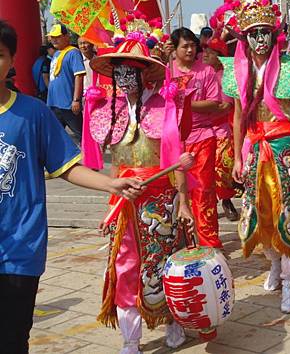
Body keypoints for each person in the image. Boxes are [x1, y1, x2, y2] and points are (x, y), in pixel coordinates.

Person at [0, 19, 144, 354]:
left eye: (0, 54)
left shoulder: (33, 113)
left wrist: (112, 183)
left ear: (11, 61)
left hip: (20, 247)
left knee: (12, 338)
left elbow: (66, 168)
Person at [87, 32, 195, 353]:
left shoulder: (165, 107)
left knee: (165, 262)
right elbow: (115, 167)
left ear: (144, 73)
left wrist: (184, 202)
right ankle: (130, 339)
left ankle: (173, 320)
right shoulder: (112, 112)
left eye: (129, 70)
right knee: (125, 266)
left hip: (162, 201)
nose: (122, 77)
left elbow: (177, 158)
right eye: (117, 71)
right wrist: (111, 205)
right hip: (127, 204)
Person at [220, 0, 290, 314]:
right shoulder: (237, 73)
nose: (260, 39)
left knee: (288, 215)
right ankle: (273, 261)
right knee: (257, 216)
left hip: (284, 150)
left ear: (274, 35)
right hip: (253, 150)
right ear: (244, 38)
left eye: (265, 32)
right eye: (253, 33)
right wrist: (235, 156)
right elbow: (236, 119)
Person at [170, 27, 223, 247]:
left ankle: (208, 241)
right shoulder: (167, 71)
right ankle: (183, 240)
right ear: (175, 49)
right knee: (178, 191)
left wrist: (186, 103)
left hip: (202, 137)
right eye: (185, 46)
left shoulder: (206, 71)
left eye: (193, 45)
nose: (190, 50)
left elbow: (214, 102)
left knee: (203, 191)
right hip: (175, 140)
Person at [202, 36, 240, 221]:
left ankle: (226, 200)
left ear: (220, 57)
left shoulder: (225, 76)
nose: (205, 54)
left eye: (211, 52)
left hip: (221, 128)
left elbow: (226, 106)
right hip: (200, 130)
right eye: (205, 51)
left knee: (221, 168)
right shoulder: (201, 74)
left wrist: (201, 110)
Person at [47, 23, 86, 141]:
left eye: (57, 37)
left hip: (68, 103)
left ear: (66, 36)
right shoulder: (56, 54)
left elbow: (79, 76)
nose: (54, 40)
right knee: (54, 136)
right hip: (54, 103)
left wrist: (76, 100)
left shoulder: (73, 52)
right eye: (52, 37)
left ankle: (91, 157)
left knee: (82, 135)